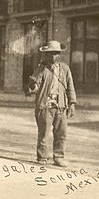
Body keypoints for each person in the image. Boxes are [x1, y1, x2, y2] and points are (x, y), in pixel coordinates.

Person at [27, 40, 77, 168]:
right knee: (43, 133)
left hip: (61, 106)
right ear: (46, 55)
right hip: (45, 106)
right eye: (50, 54)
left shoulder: (65, 69)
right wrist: (32, 84)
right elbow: (35, 87)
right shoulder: (42, 68)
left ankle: (59, 157)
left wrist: (72, 103)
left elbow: (70, 87)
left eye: (55, 53)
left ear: (59, 54)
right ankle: (42, 157)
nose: (53, 56)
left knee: (61, 133)